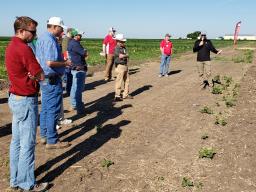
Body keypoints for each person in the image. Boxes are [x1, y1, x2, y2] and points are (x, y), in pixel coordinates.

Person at [5, 16, 48, 191]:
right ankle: (27, 183)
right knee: (27, 144)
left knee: (16, 142)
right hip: (25, 100)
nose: (35, 35)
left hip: (15, 97)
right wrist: (36, 76)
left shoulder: (11, 46)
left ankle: (15, 180)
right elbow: (40, 74)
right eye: (32, 31)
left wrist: (31, 75)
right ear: (21, 31)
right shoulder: (24, 49)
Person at [36, 16, 72, 149]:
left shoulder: (42, 38)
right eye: (61, 28)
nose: (62, 31)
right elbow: (50, 62)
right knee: (53, 109)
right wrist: (65, 63)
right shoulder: (50, 40)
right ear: (55, 27)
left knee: (45, 108)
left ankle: (44, 136)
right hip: (51, 79)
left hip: (44, 78)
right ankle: (52, 140)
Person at [67, 29, 88, 114]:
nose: (81, 36)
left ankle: (74, 104)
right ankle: (79, 108)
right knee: (78, 89)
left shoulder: (71, 43)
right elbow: (84, 53)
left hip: (75, 68)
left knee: (74, 87)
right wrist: (85, 51)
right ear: (75, 35)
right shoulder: (76, 44)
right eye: (79, 35)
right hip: (79, 68)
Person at [113, 34, 133, 101]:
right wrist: (126, 55)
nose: (123, 43)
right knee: (119, 81)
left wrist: (125, 55)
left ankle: (125, 94)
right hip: (120, 66)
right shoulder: (116, 48)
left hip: (125, 65)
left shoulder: (124, 48)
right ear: (118, 41)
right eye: (122, 41)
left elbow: (125, 55)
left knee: (127, 80)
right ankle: (117, 95)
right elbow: (121, 56)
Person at [62, 28, 73, 96]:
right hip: (67, 59)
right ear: (69, 32)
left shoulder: (68, 39)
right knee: (68, 76)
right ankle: (68, 91)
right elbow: (65, 51)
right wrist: (67, 60)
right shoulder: (67, 39)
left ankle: (68, 90)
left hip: (67, 59)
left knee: (67, 76)